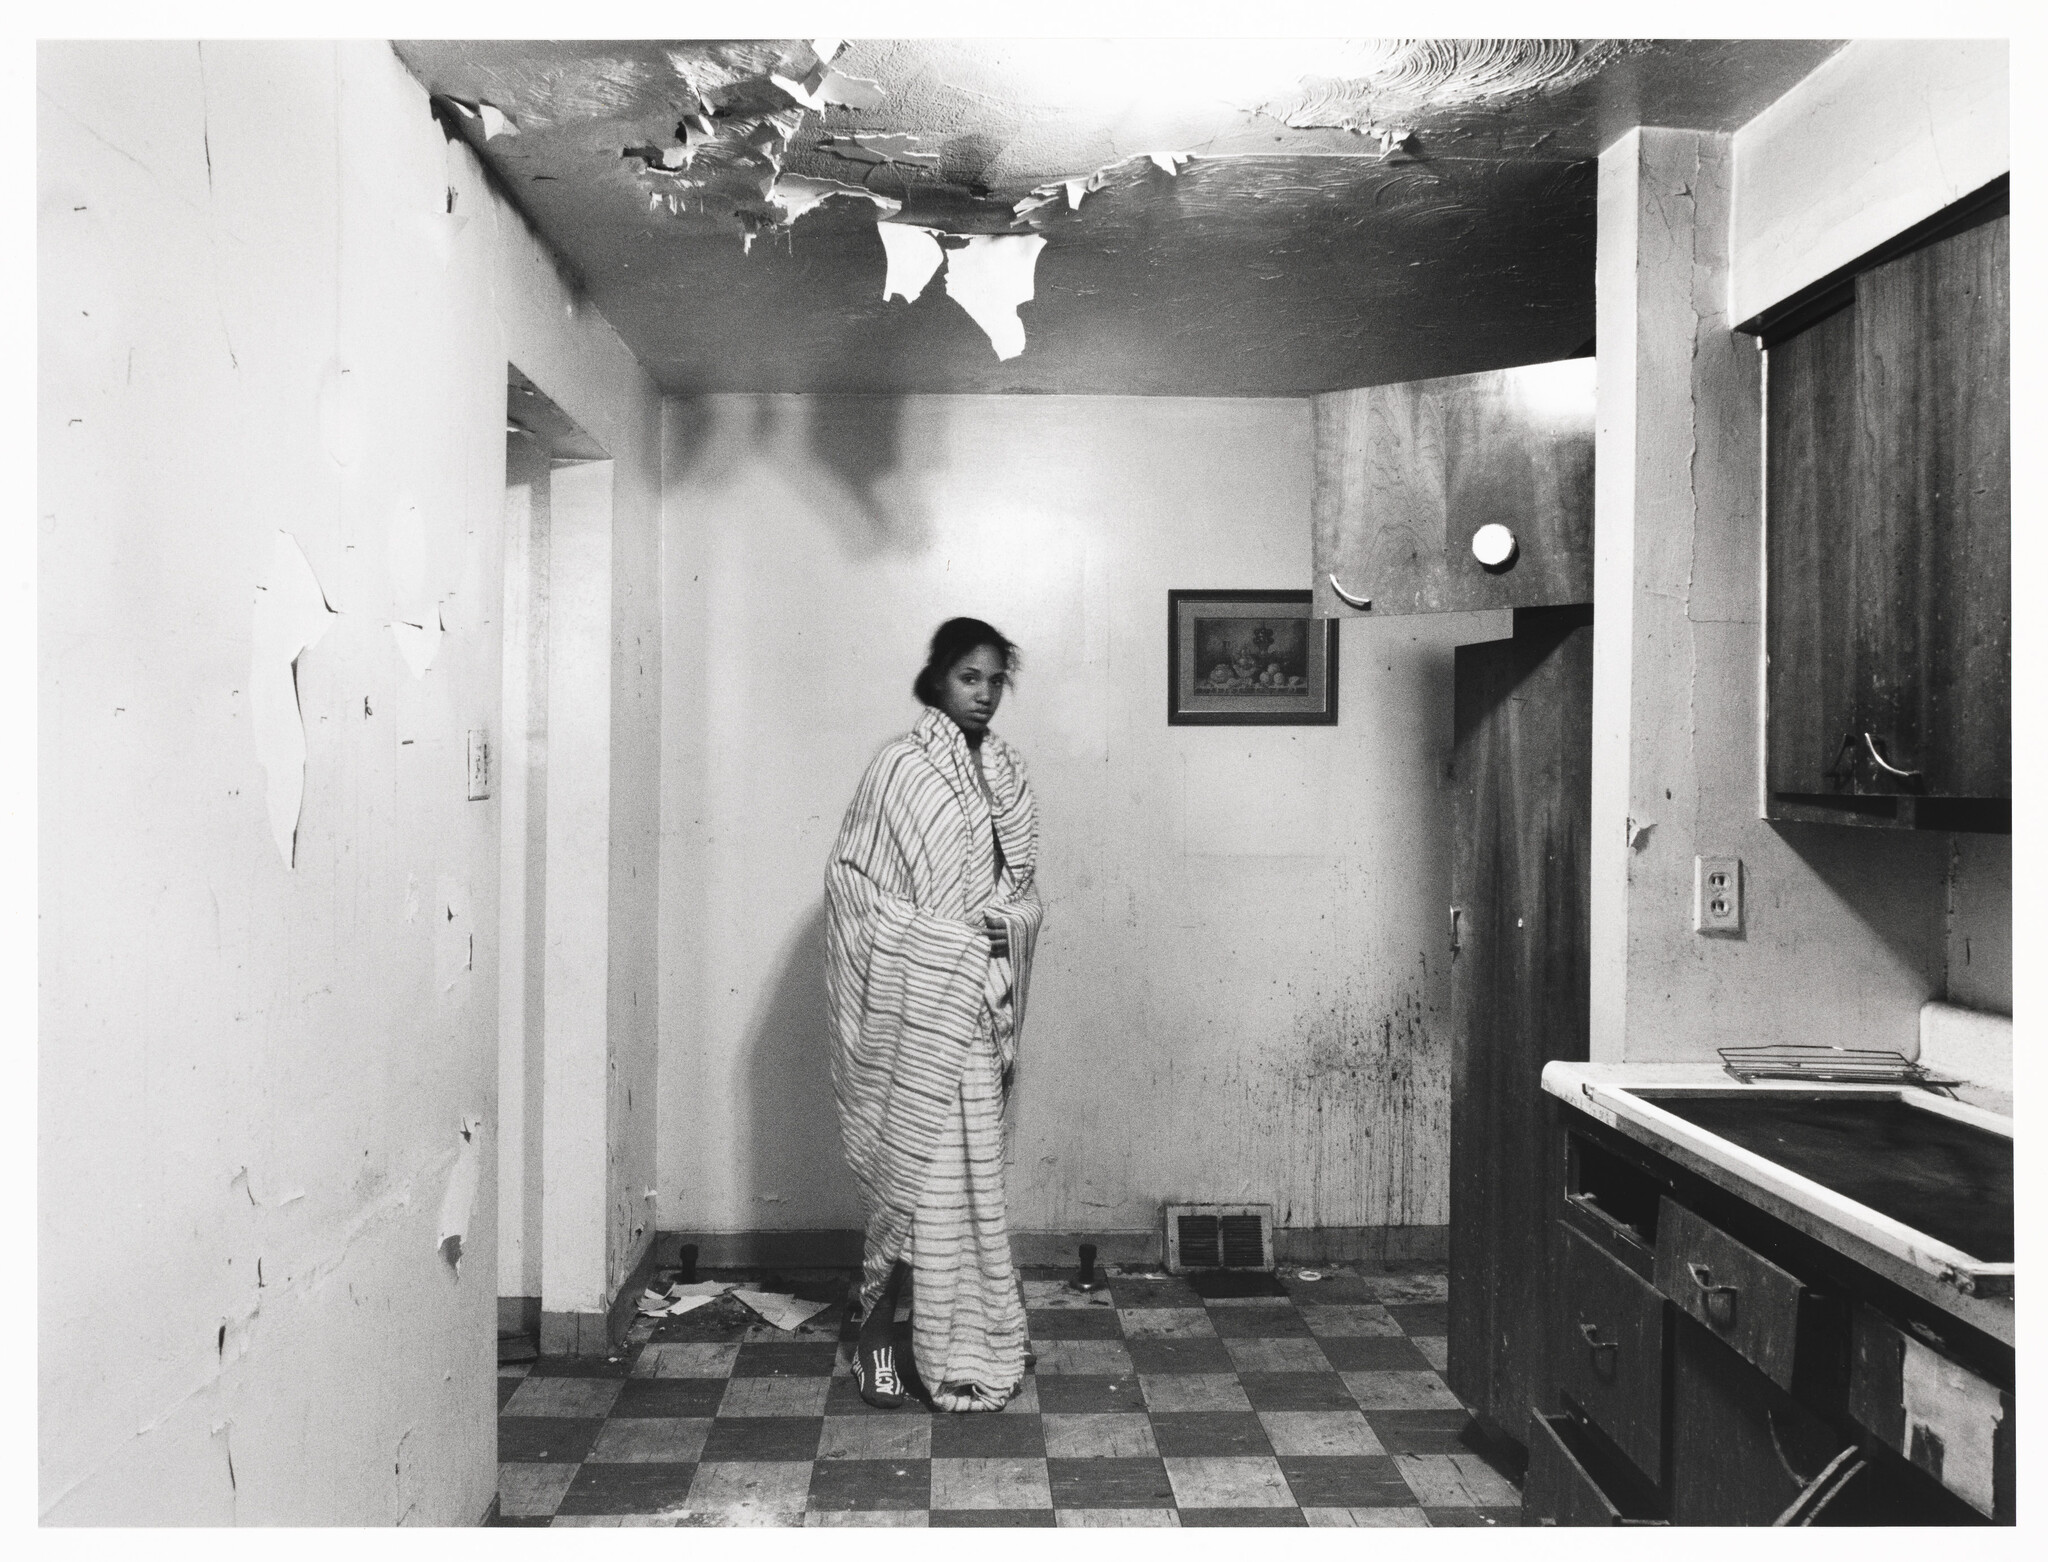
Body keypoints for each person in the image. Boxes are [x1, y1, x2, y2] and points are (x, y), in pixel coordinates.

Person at [824, 617, 1043, 1412]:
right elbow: (855, 886)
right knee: (913, 1178)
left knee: (975, 1184)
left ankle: (973, 1329)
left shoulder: (1009, 775)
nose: (983, 695)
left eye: (994, 680)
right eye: (968, 678)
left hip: (978, 1007)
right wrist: (942, 939)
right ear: (937, 680)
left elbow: (1019, 896)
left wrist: (1006, 926)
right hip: (918, 1005)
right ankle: (879, 1332)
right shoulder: (900, 769)